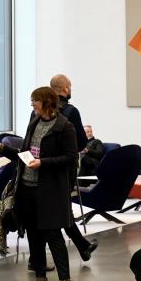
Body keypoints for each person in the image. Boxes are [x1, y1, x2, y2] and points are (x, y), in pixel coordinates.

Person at [0, 86, 79, 281]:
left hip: (50, 190)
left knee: (53, 234)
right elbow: (24, 154)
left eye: (34, 101)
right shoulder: (34, 122)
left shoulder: (65, 127)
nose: (32, 104)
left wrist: (42, 163)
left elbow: (71, 157)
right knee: (34, 234)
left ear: (46, 102)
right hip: (26, 188)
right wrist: (0, 148)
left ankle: (66, 280)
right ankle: (40, 277)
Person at [46, 74, 96, 262]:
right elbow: (82, 141)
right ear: (65, 88)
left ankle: (83, 246)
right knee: (59, 208)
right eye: (70, 86)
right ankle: (35, 260)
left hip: (42, 166)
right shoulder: (71, 111)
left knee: (57, 207)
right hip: (64, 167)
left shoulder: (41, 109)